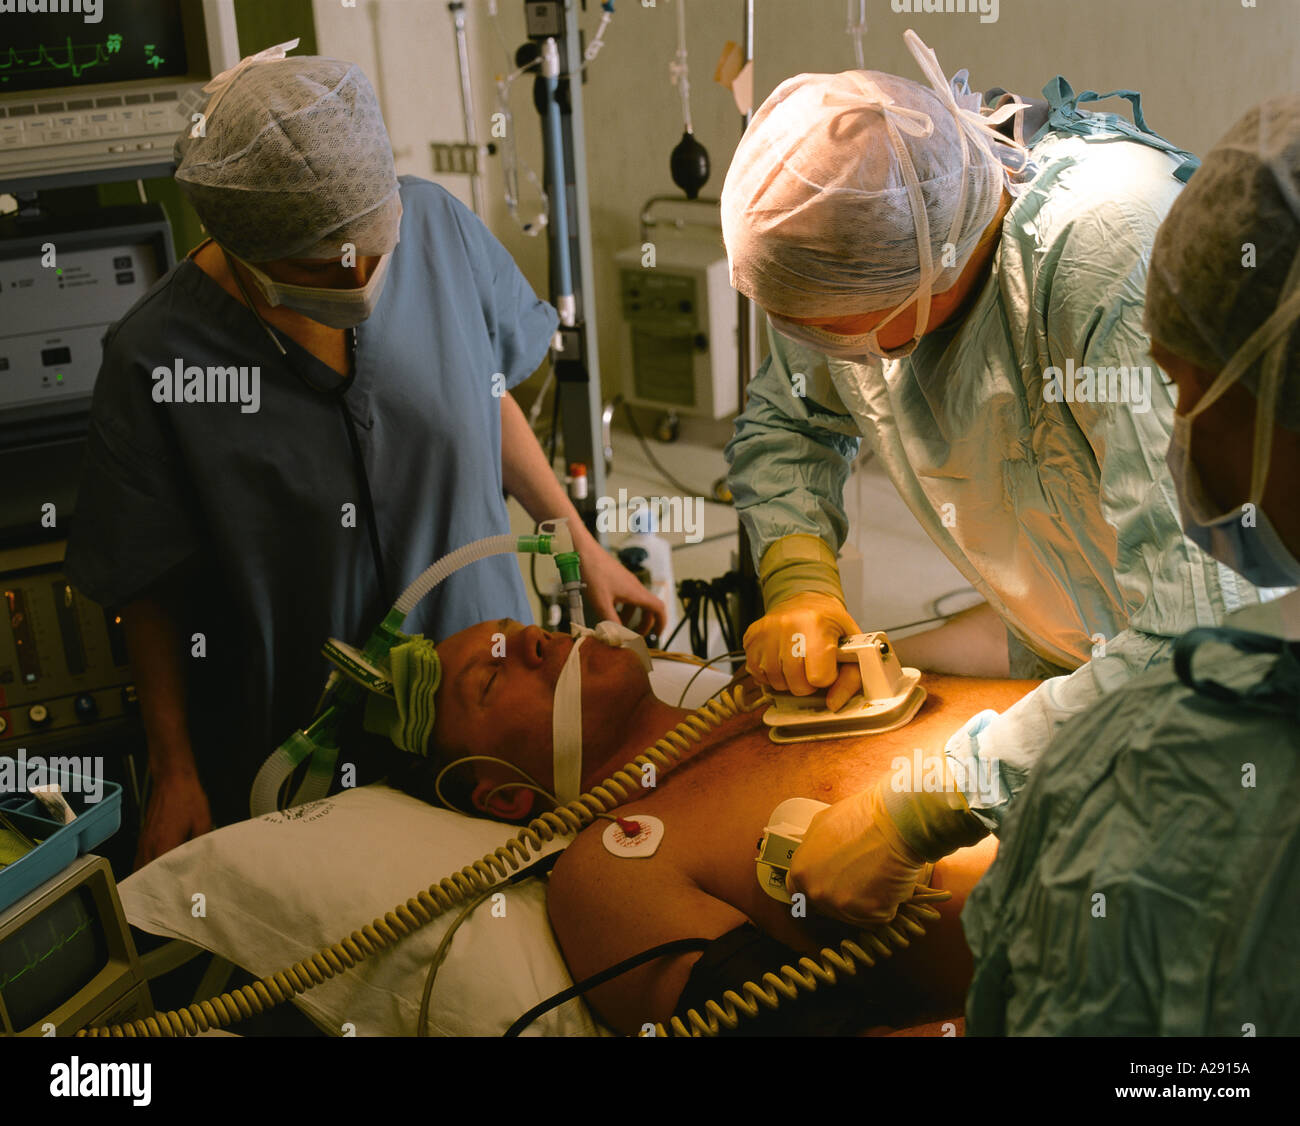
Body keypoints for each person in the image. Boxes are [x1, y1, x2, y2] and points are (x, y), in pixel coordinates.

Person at [720, 31, 1289, 926]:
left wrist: (923, 805)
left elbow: (1196, 635)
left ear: (928, 266)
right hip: (1073, 684)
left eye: (834, 330)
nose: (824, 352)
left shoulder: (1106, 257)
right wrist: (797, 576)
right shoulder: (861, 247)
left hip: (1225, 716)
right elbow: (791, 415)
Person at [64, 45, 662, 867]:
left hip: (488, 712)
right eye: (323, 263)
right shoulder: (157, 358)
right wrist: (174, 766)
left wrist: (580, 541)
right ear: (237, 240)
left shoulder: (439, 231)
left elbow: (478, 396)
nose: (364, 276)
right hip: (300, 740)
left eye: (377, 245)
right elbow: (146, 584)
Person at [962, 94, 1300, 1036]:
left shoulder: (1157, 787)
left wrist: (922, 809)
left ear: (1269, 389)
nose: (1174, 433)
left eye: (1182, 386)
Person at [380, 616, 1039, 1035]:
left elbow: (1014, 636)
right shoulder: (612, 865)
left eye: (525, 628)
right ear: (503, 801)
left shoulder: (771, 686)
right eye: (489, 678)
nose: (533, 638)